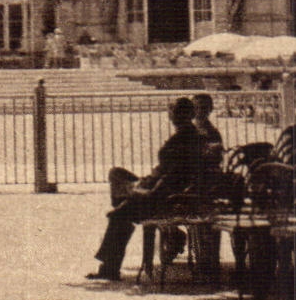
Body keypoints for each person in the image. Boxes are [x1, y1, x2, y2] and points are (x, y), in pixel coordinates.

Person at [87, 97, 206, 280]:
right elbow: (166, 172)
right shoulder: (187, 135)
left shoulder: (184, 139)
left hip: (164, 196)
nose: (173, 115)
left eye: (175, 112)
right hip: (159, 187)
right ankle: (126, 206)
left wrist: (145, 191)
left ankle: (110, 267)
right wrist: (144, 183)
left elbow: (172, 177)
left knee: (119, 216)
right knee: (117, 174)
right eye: (173, 112)